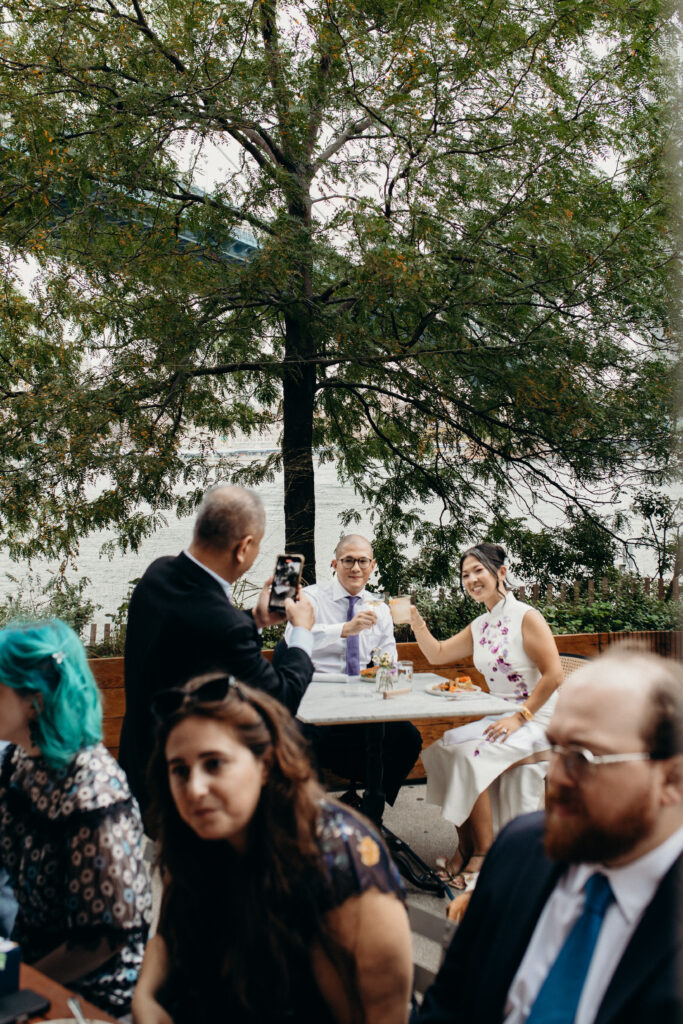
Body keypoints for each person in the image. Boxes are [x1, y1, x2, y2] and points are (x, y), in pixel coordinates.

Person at [414, 648, 683, 1024]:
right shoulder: (520, 849)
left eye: (583, 758)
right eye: (555, 748)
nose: (554, 777)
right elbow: (448, 1006)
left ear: (671, 779)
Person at [132, 673, 413, 1024]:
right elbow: (167, 936)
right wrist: (143, 997)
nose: (195, 788)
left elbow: (382, 1015)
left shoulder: (340, 860)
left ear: (264, 765)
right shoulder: (195, 832)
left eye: (214, 764)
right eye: (179, 770)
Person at [120, 483, 315, 815]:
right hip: (187, 784)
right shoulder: (223, 625)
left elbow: (190, 634)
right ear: (243, 547)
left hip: (138, 762)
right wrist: (301, 632)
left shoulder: (157, 573)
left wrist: (254, 618)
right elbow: (281, 700)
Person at [0, 619, 152, 1017]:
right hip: (23, 963)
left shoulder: (94, 794)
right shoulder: (17, 761)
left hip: (90, 993)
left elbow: (104, 938)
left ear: (34, 700)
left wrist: (21, 982)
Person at [411, 543, 562, 888]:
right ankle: (464, 846)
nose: (471, 579)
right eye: (465, 574)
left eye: (478, 570)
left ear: (501, 573)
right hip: (500, 714)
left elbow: (553, 675)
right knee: (443, 748)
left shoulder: (527, 616)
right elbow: (436, 655)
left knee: (469, 755)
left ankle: (484, 852)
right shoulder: (481, 625)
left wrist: (519, 717)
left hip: (536, 717)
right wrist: (417, 623)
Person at [284, 534, 422, 814]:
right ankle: (312, 816)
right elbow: (292, 638)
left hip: (360, 701)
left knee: (407, 738)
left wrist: (385, 674)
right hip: (315, 698)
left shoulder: (378, 608)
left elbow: (388, 654)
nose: (355, 568)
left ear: (372, 566)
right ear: (334, 563)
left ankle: (368, 808)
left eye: (362, 561)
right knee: (297, 740)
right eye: (348, 560)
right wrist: (344, 629)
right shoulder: (311, 598)